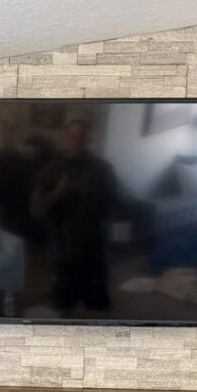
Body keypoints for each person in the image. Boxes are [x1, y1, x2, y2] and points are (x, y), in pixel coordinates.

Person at [31, 117, 117, 313]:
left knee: (96, 307)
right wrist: (57, 194)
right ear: (65, 137)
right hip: (62, 251)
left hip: (93, 251)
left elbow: (112, 207)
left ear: (89, 139)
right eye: (72, 137)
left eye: (81, 137)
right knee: (64, 307)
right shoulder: (50, 170)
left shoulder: (103, 169)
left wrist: (89, 195)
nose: (76, 141)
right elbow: (36, 210)